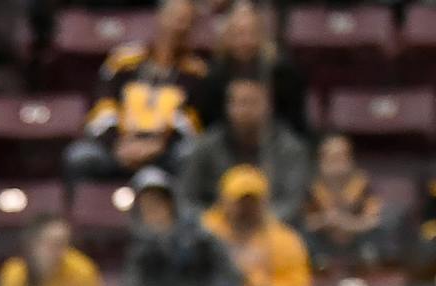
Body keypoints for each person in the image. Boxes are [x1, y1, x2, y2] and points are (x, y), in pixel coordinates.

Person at [64, 0, 206, 182]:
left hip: (164, 153)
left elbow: (190, 122)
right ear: (159, 18)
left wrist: (158, 145)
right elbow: (102, 110)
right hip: (118, 148)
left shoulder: (195, 72)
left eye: (187, 20)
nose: (180, 26)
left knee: (190, 155)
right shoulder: (123, 62)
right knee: (80, 156)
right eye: (176, 18)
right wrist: (118, 143)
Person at [177, 78, 309, 219]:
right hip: (213, 230)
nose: (245, 110)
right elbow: (186, 198)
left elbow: (294, 200)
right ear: (228, 107)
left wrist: (258, 225)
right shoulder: (205, 146)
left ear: (269, 107)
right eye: (240, 103)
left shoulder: (290, 148)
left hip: (272, 229)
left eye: (252, 103)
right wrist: (216, 224)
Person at [124, 165, 241, 286]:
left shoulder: (199, 236)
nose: (153, 209)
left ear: (171, 203)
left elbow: (229, 274)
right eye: (146, 203)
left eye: (158, 201)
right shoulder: (137, 246)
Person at [202, 164, 310, 286]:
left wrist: (252, 278)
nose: (246, 208)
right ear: (224, 200)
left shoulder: (284, 242)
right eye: (240, 201)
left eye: (253, 201)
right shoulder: (205, 233)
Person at [192, 1, 306, 139]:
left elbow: (295, 126)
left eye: (251, 33)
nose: (245, 41)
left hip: (273, 146)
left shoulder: (283, 75)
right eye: (238, 34)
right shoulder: (213, 79)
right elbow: (207, 127)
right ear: (226, 37)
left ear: (262, 36)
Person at [301, 133, 385, 274]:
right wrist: (326, 221)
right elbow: (306, 222)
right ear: (320, 160)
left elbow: (373, 220)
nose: (336, 163)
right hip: (324, 239)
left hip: (358, 238)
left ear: (351, 158)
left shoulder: (363, 184)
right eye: (330, 158)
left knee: (377, 240)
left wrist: (347, 223)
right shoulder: (312, 188)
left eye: (341, 157)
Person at [0, 217, 101, 286]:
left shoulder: (82, 270)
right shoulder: (15, 273)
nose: (58, 251)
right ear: (33, 244)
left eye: (63, 243)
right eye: (52, 243)